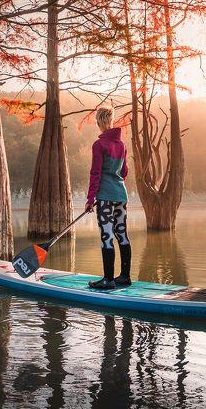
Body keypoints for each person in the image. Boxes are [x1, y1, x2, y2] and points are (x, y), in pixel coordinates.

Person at [85, 105, 131, 289]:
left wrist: (90, 200)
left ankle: (108, 280)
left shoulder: (99, 145)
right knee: (122, 235)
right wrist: (115, 183)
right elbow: (124, 171)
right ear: (111, 122)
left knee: (107, 236)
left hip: (105, 197)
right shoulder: (122, 145)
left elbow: (95, 174)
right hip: (121, 195)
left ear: (99, 122)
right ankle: (125, 277)